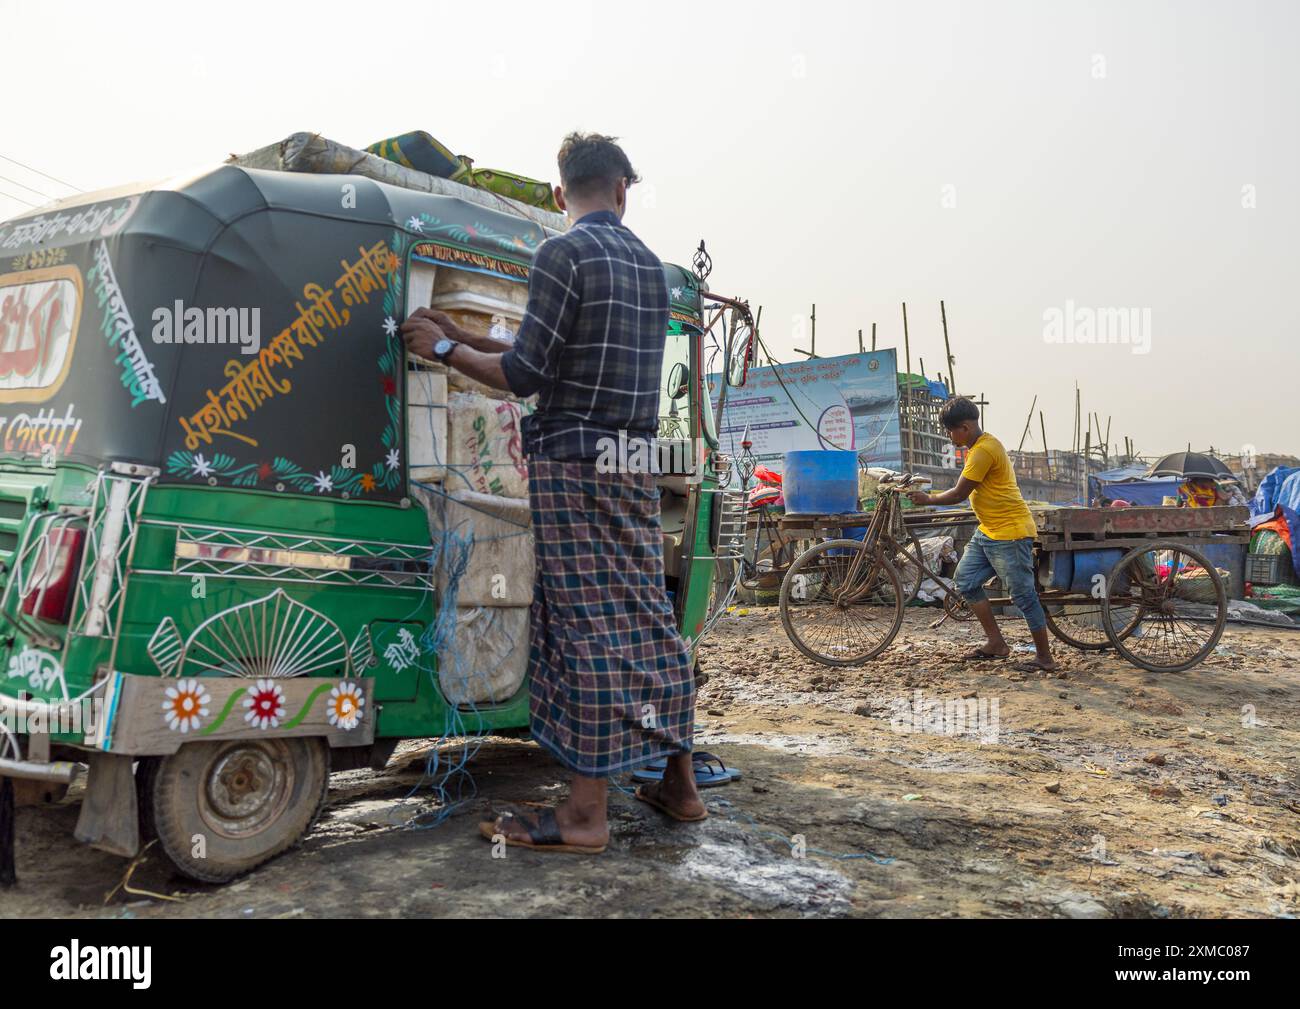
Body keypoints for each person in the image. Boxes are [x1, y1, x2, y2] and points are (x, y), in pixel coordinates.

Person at [401, 132, 704, 854]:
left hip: (571, 467)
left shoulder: (560, 254)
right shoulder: (648, 270)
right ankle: (680, 786)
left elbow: (528, 374)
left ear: (561, 192)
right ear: (623, 191)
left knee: (584, 628)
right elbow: (546, 345)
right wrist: (462, 329)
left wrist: (443, 350)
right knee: (645, 621)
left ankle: (583, 815)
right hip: (629, 465)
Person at [907, 397, 1057, 673]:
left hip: (1010, 533)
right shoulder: (979, 447)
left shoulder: (983, 451)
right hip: (988, 531)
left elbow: (959, 494)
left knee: (1023, 596)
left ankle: (1045, 658)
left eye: (951, 431)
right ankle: (996, 643)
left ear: (964, 427)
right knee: (964, 580)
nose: (950, 437)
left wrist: (926, 499)